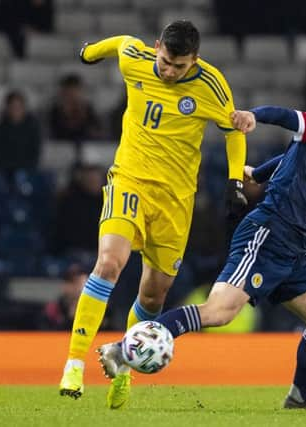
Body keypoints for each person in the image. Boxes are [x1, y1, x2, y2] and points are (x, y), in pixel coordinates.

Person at [97, 89, 306, 410]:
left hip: (293, 247)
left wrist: (258, 174)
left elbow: (294, 157)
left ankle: (300, 396)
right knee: (219, 312)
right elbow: (289, 117)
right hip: (267, 232)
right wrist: (253, 116)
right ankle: (121, 350)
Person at [58, 20, 248, 410]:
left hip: (176, 201)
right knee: (109, 263)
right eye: (165, 61)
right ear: (158, 47)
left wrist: (234, 182)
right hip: (129, 181)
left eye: (179, 66)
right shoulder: (137, 59)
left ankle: (123, 366)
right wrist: (89, 52)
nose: (169, 71)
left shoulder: (212, 84)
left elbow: (233, 130)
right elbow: (121, 42)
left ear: (194, 59)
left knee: (153, 292)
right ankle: (73, 363)